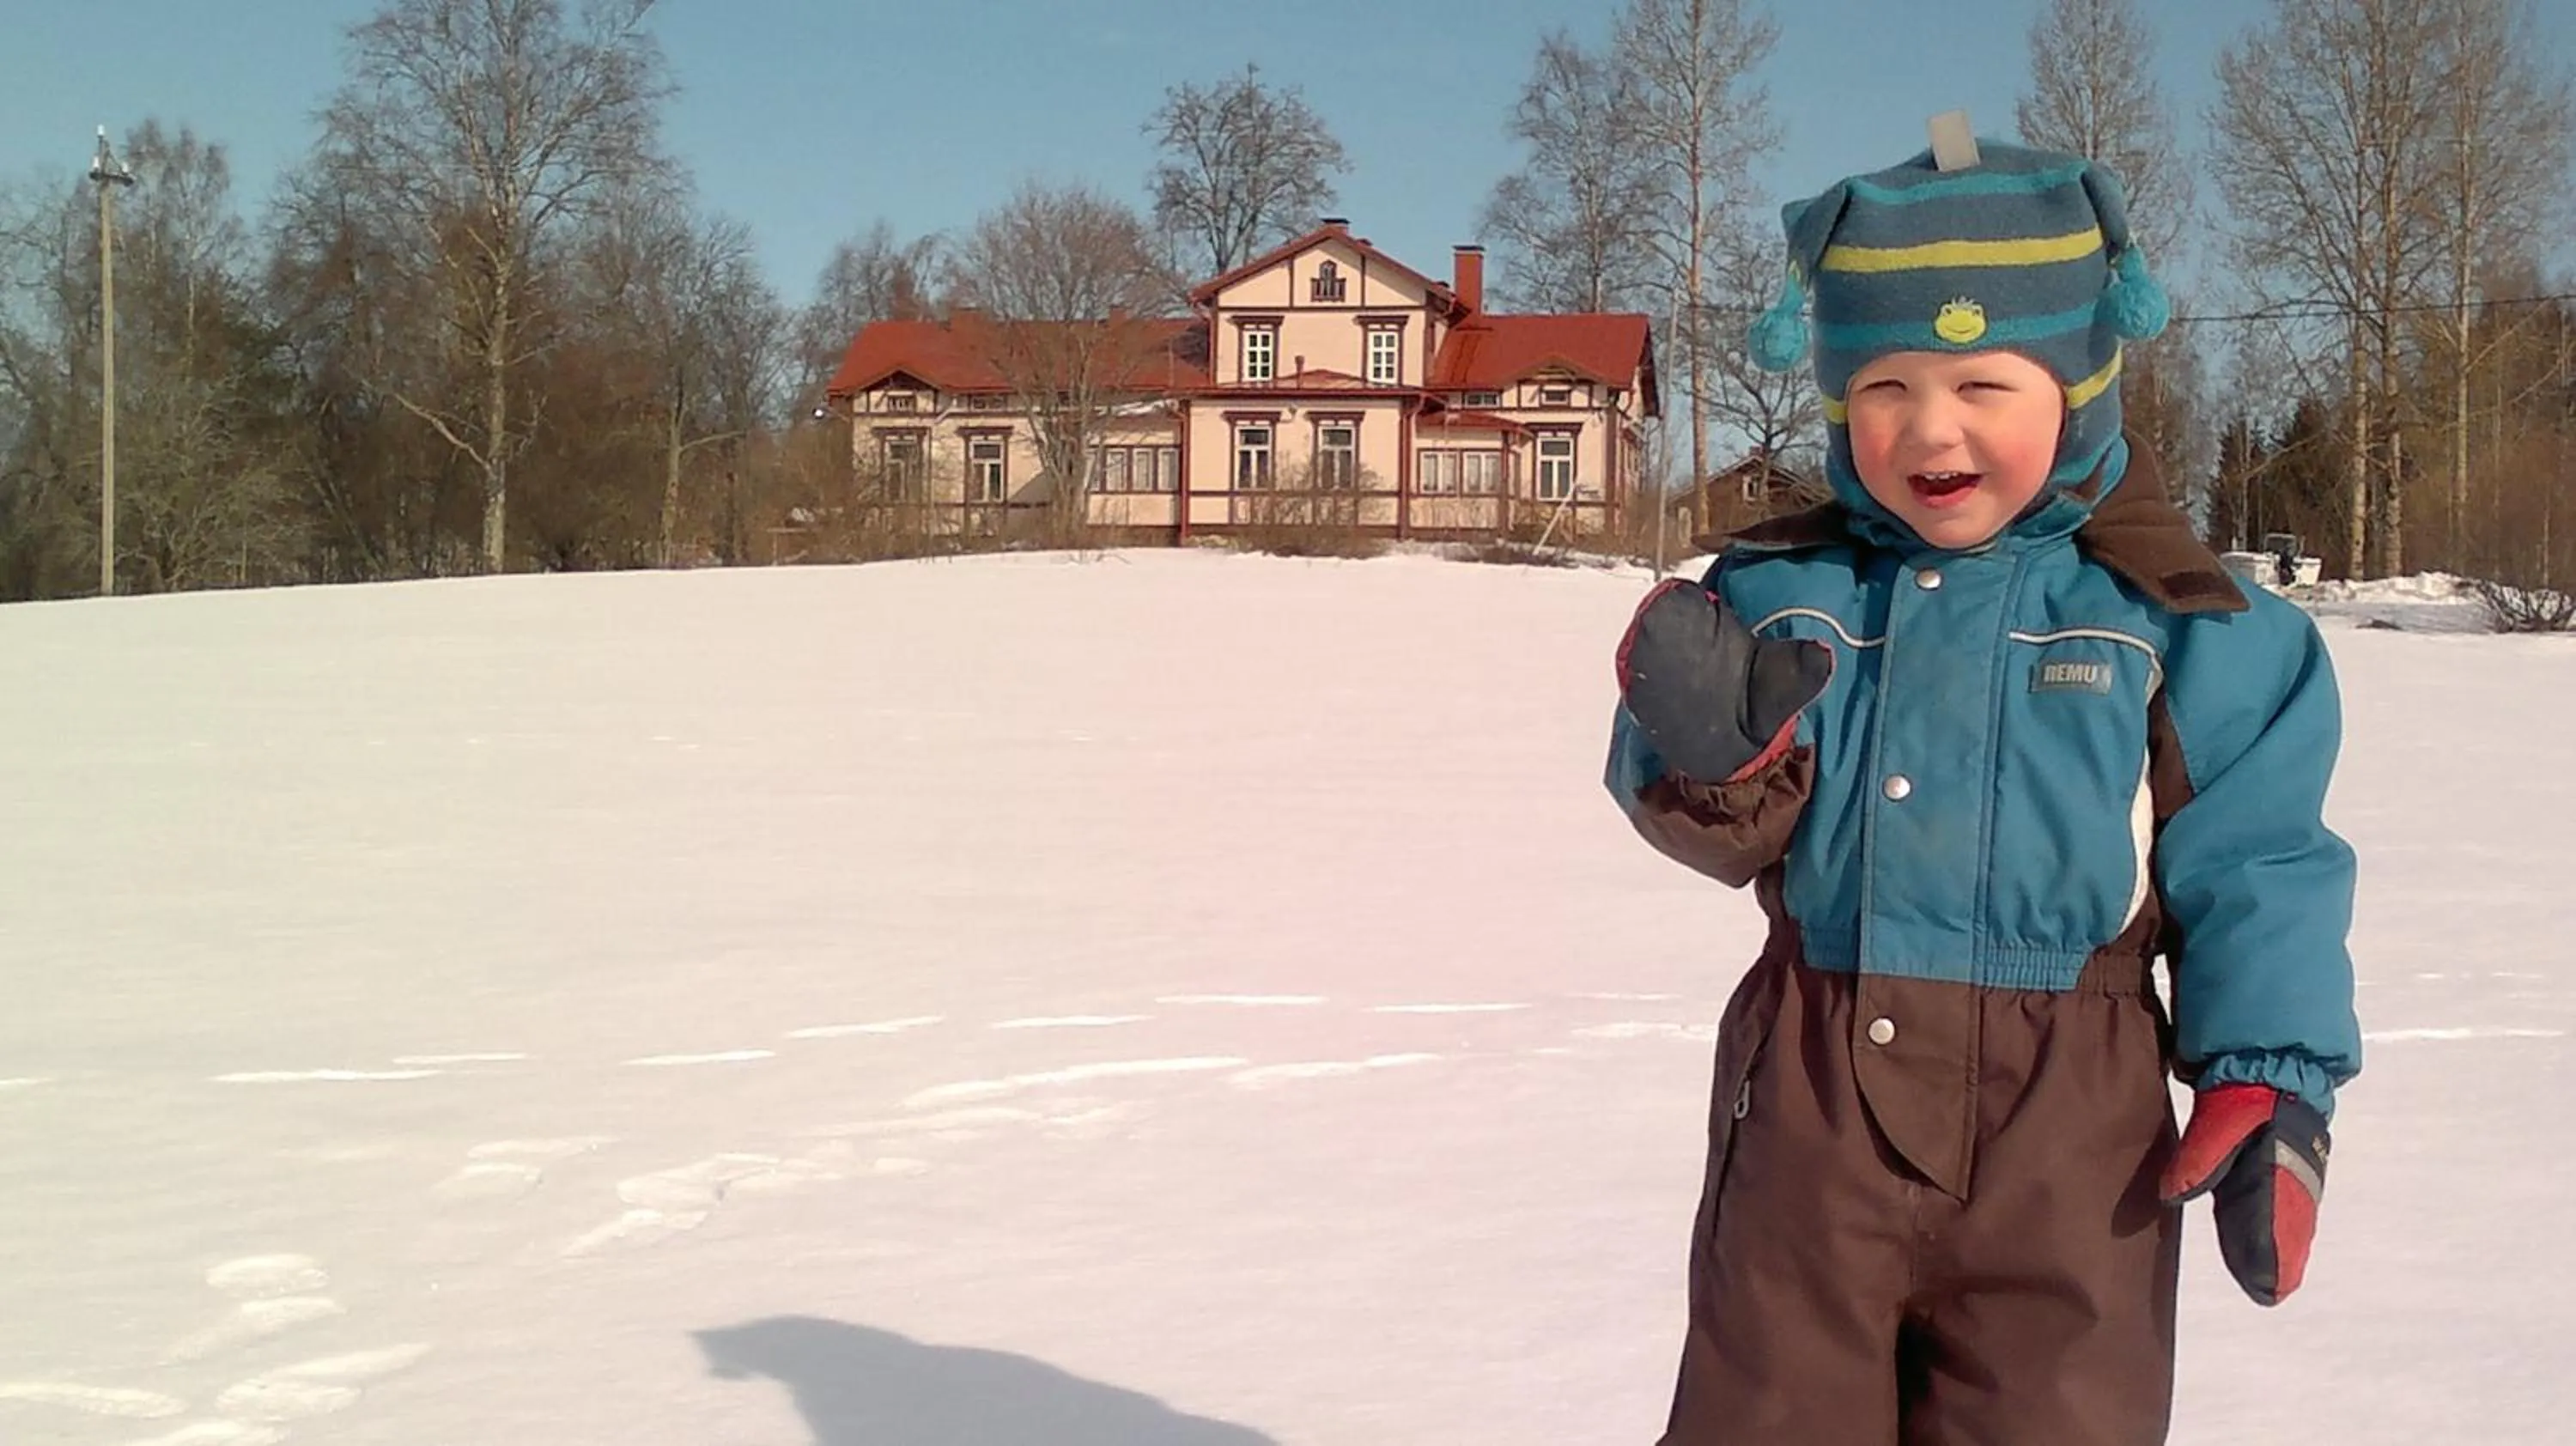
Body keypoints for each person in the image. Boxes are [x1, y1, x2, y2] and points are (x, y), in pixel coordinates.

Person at [1603, 136, 2360, 1445]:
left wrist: (2267, 1076)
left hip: (2073, 1129)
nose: (1930, 428)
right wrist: (1714, 763)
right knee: (1768, 1413)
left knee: (2054, 1415)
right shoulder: (1791, 593)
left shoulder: (2182, 621)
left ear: (2081, 384)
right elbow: (1723, 834)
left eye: (1981, 382)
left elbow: (2257, 862)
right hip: (1811, 1097)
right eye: (1883, 384)